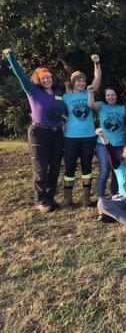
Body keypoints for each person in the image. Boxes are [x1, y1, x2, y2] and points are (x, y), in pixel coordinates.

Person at [3, 48, 66, 212]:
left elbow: (62, 112)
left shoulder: (58, 93)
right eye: (43, 78)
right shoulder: (33, 91)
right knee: (40, 168)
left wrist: (63, 122)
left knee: (55, 167)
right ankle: (40, 200)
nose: (46, 80)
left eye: (48, 77)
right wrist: (10, 57)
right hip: (39, 133)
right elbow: (20, 75)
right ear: (38, 80)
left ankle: (51, 197)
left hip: (57, 133)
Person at [62, 54, 102, 207]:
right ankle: (68, 198)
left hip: (89, 136)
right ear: (73, 83)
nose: (81, 82)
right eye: (78, 80)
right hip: (70, 137)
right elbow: (57, 111)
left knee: (87, 167)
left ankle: (86, 198)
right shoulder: (65, 97)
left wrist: (96, 63)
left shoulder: (89, 93)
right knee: (70, 167)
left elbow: (97, 79)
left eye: (83, 80)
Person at [88, 85, 126, 200]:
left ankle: (115, 193)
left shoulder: (123, 107)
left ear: (117, 95)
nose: (111, 97)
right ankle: (101, 197)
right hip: (103, 144)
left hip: (120, 144)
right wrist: (90, 93)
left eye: (113, 95)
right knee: (104, 171)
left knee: (117, 170)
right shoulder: (101, 106)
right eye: (108, 95)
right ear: (105, 97)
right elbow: (91, 105)